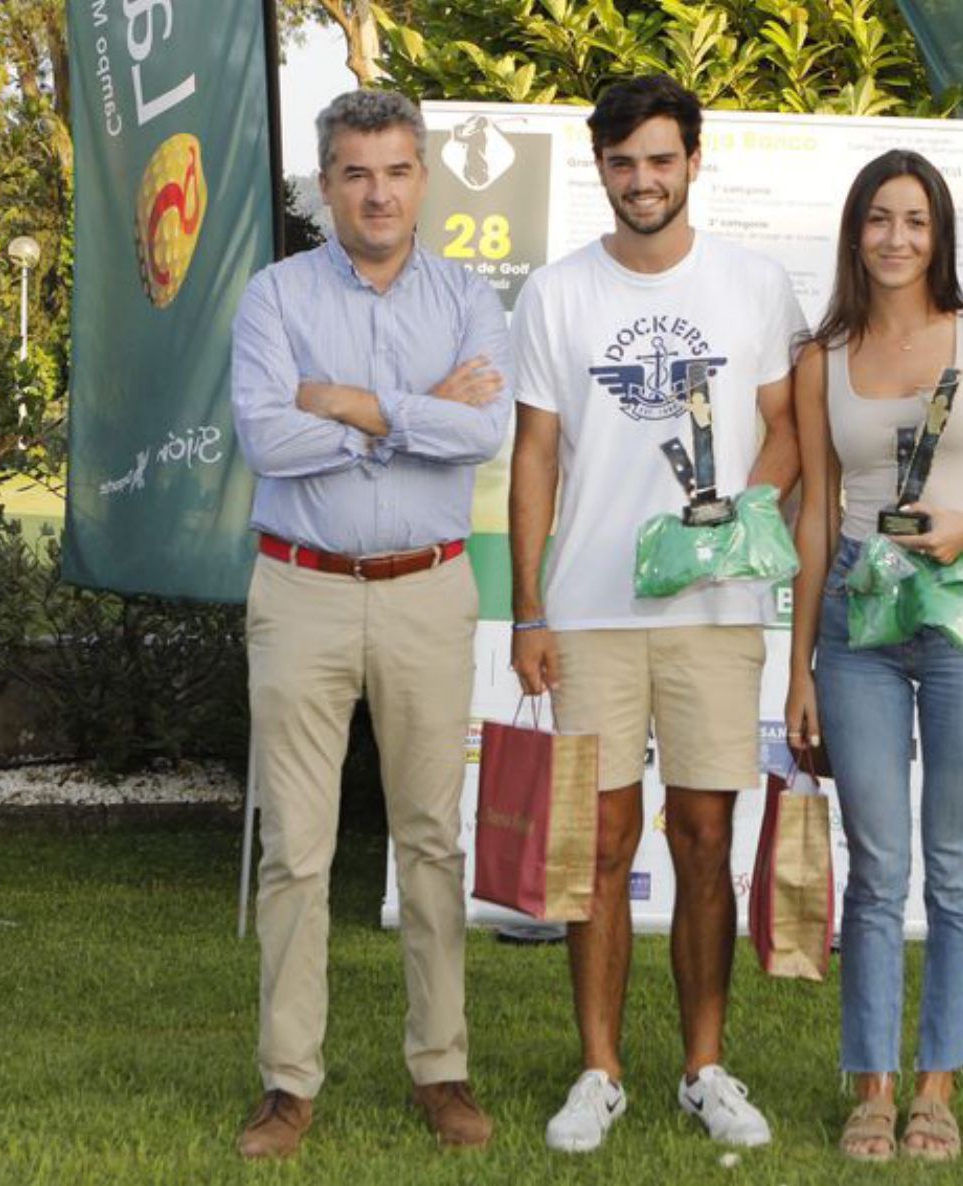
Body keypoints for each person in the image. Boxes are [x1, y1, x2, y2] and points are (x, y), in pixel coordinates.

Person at [508, 75, 805, 1155]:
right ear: (601, 169)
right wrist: (528, 607)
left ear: (693, 161)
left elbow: (787, 429)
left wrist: (730, 522)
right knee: (594, 846)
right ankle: (599, 1071)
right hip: (586, 609)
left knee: (704, 834)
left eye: (661, 159)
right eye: (623, 162)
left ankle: (703, 1066)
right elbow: (534, 453)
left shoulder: (754, 285)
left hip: (714, 608)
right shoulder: (554, 294)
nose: (643, 180)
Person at [228, 89, 512, 1159]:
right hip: (299, 589)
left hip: (428, 591)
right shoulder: (273, 295)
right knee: (295, 849)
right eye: (355, 172)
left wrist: (350, 402)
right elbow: (267, 438)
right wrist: (406, 411)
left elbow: (481, 428)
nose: (377, 191)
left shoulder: (467, 297)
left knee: (431, 840)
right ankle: (287, 1081)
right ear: (325, 182)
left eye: (395, 170)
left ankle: (441, 1068)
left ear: (422, 177)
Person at [784, 149, 963, 1162]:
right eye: (877, 219)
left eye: (915, 220)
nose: (895, 238)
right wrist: (796, 668)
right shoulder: (821, 358)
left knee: (952, 868)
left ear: (939, 234)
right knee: (875, 869)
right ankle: (868, 1084)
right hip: (857, 626)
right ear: (854, 232)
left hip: (962, 614)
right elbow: (814, 514)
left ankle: (936, 1085)